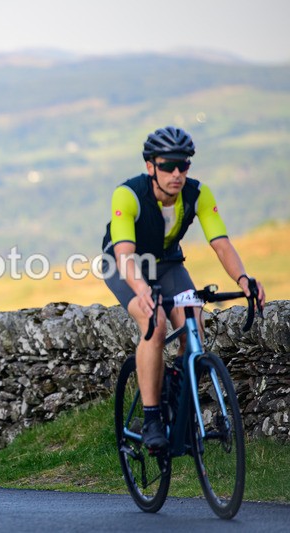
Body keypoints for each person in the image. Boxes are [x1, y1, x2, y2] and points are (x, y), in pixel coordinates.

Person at [101, 126, 265, 450]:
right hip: (126, 265)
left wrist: (243, 280)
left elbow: (221, 243)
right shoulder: (128, 194)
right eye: (167, 165)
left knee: (195, 330)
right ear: (150, 166)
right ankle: (150, 421)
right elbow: (123, 254)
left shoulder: (198, 193)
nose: (176, 173)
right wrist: (142, 290)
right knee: (155, 323)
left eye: (184, 165)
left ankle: (174, 401)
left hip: (169, 264)